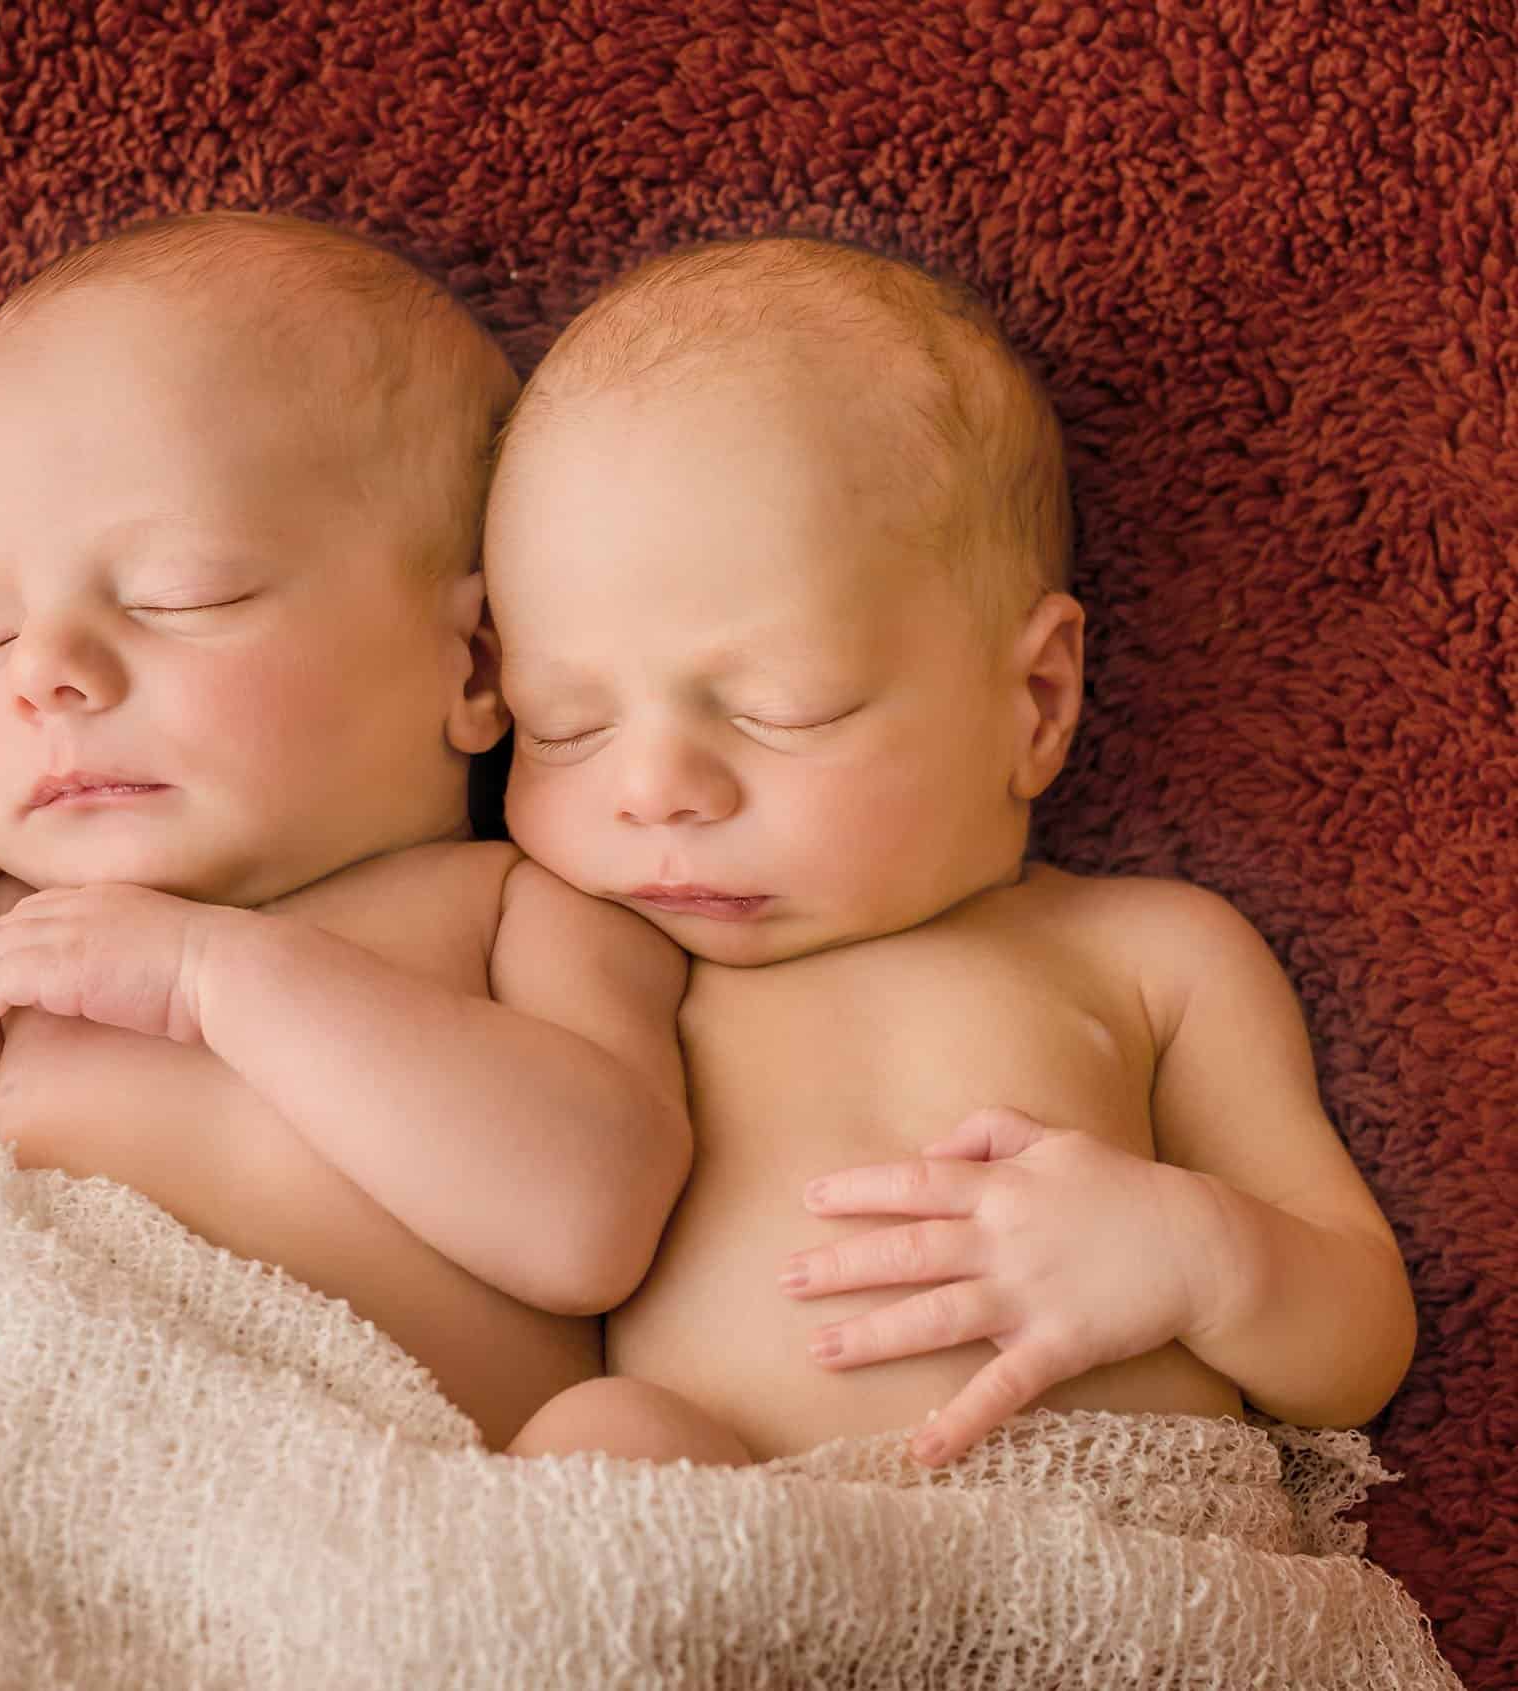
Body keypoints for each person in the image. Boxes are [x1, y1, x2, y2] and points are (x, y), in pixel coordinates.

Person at [0, 211, 693, 1453]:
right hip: (42, 1499)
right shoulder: (7, 937)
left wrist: (214, 973)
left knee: (639, 1438)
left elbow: (583, 1225)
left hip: (384, 1549)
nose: (45, 670)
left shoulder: (518, 902)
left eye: (179, 594)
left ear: (476, 661)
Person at [484, 234, 1418, 1467]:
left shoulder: (1148, 952)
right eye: (565, 725)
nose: (651, 790)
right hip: (734, 1568)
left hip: (1107, 1559)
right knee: (595, 1441)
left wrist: (1197, 1255)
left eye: (784, 707)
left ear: (1034, 700)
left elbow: (1357, 1350)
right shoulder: (572, 951)